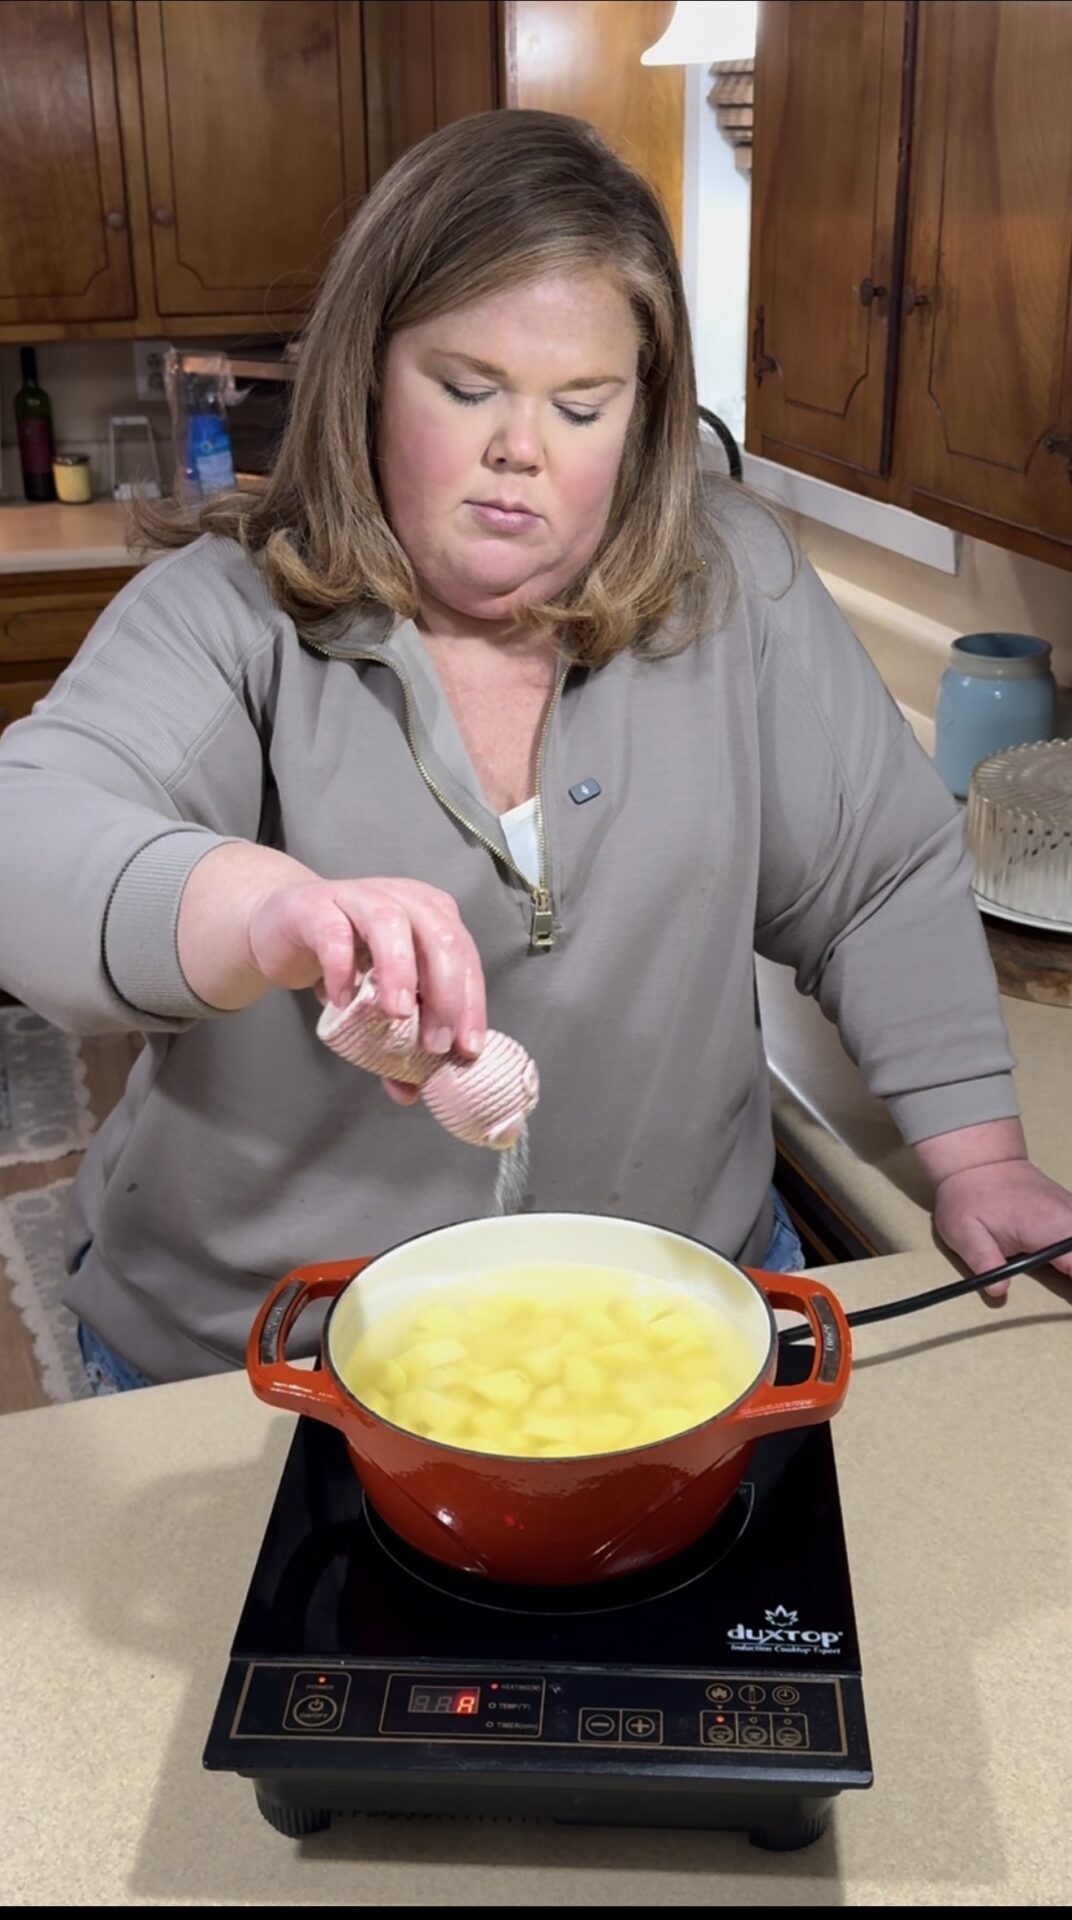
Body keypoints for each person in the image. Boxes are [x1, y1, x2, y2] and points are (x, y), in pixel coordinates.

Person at [0, 112, 1068, 1395]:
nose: (523, 449)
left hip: (663, 1328)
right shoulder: (225, 616)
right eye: (466, 388)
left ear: (646, 409)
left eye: (581, 403)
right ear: (365, 373)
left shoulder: (738, 591)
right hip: (268, 1364)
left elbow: (879, 877)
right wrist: (261, 908)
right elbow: (33, 835)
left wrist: (981, 1159)